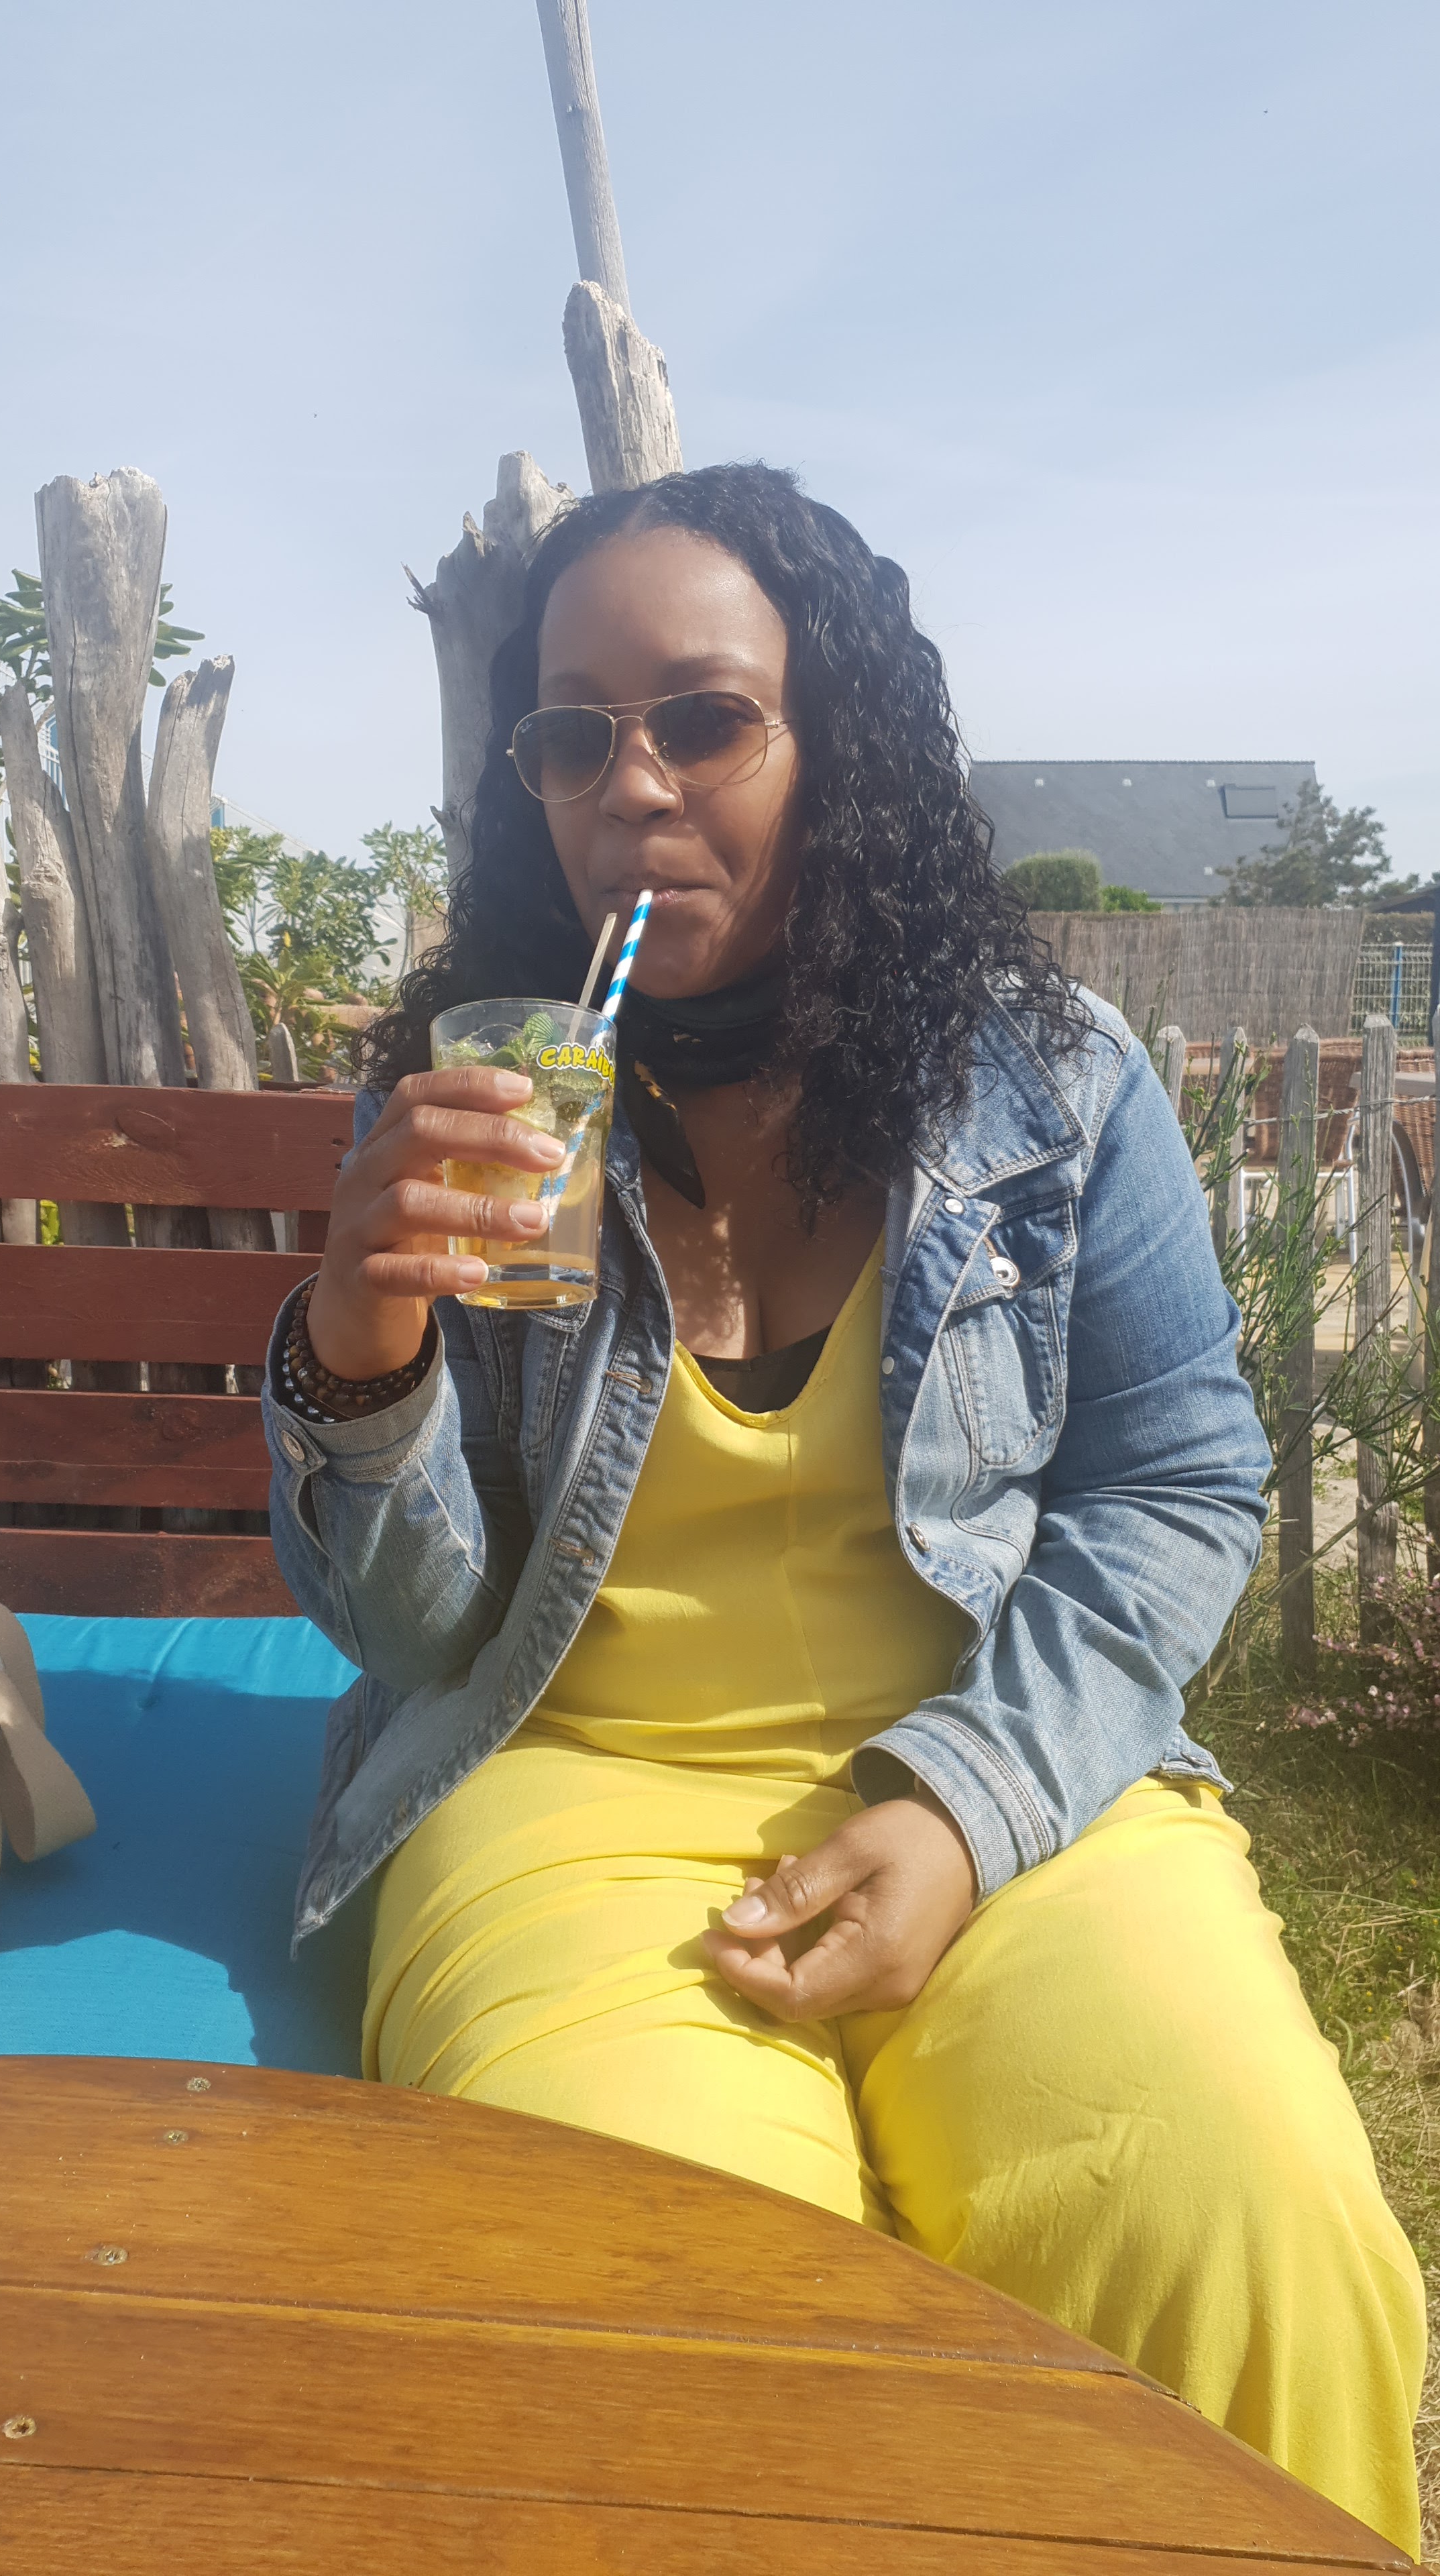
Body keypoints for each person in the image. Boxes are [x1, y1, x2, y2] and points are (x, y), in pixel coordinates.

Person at [264, 462, 1424, 2551]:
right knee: (655, 2320)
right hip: (571, 1779)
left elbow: (1177, 1485)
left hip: (1012, 1760)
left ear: (842, 744)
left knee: (1244, 2228)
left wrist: (965, 1809)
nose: (632, 783)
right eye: (572, 735)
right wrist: (363, 1358)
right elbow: (415, 1632)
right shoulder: (482, 1104)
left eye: (704, 718)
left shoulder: (1050, 1081)